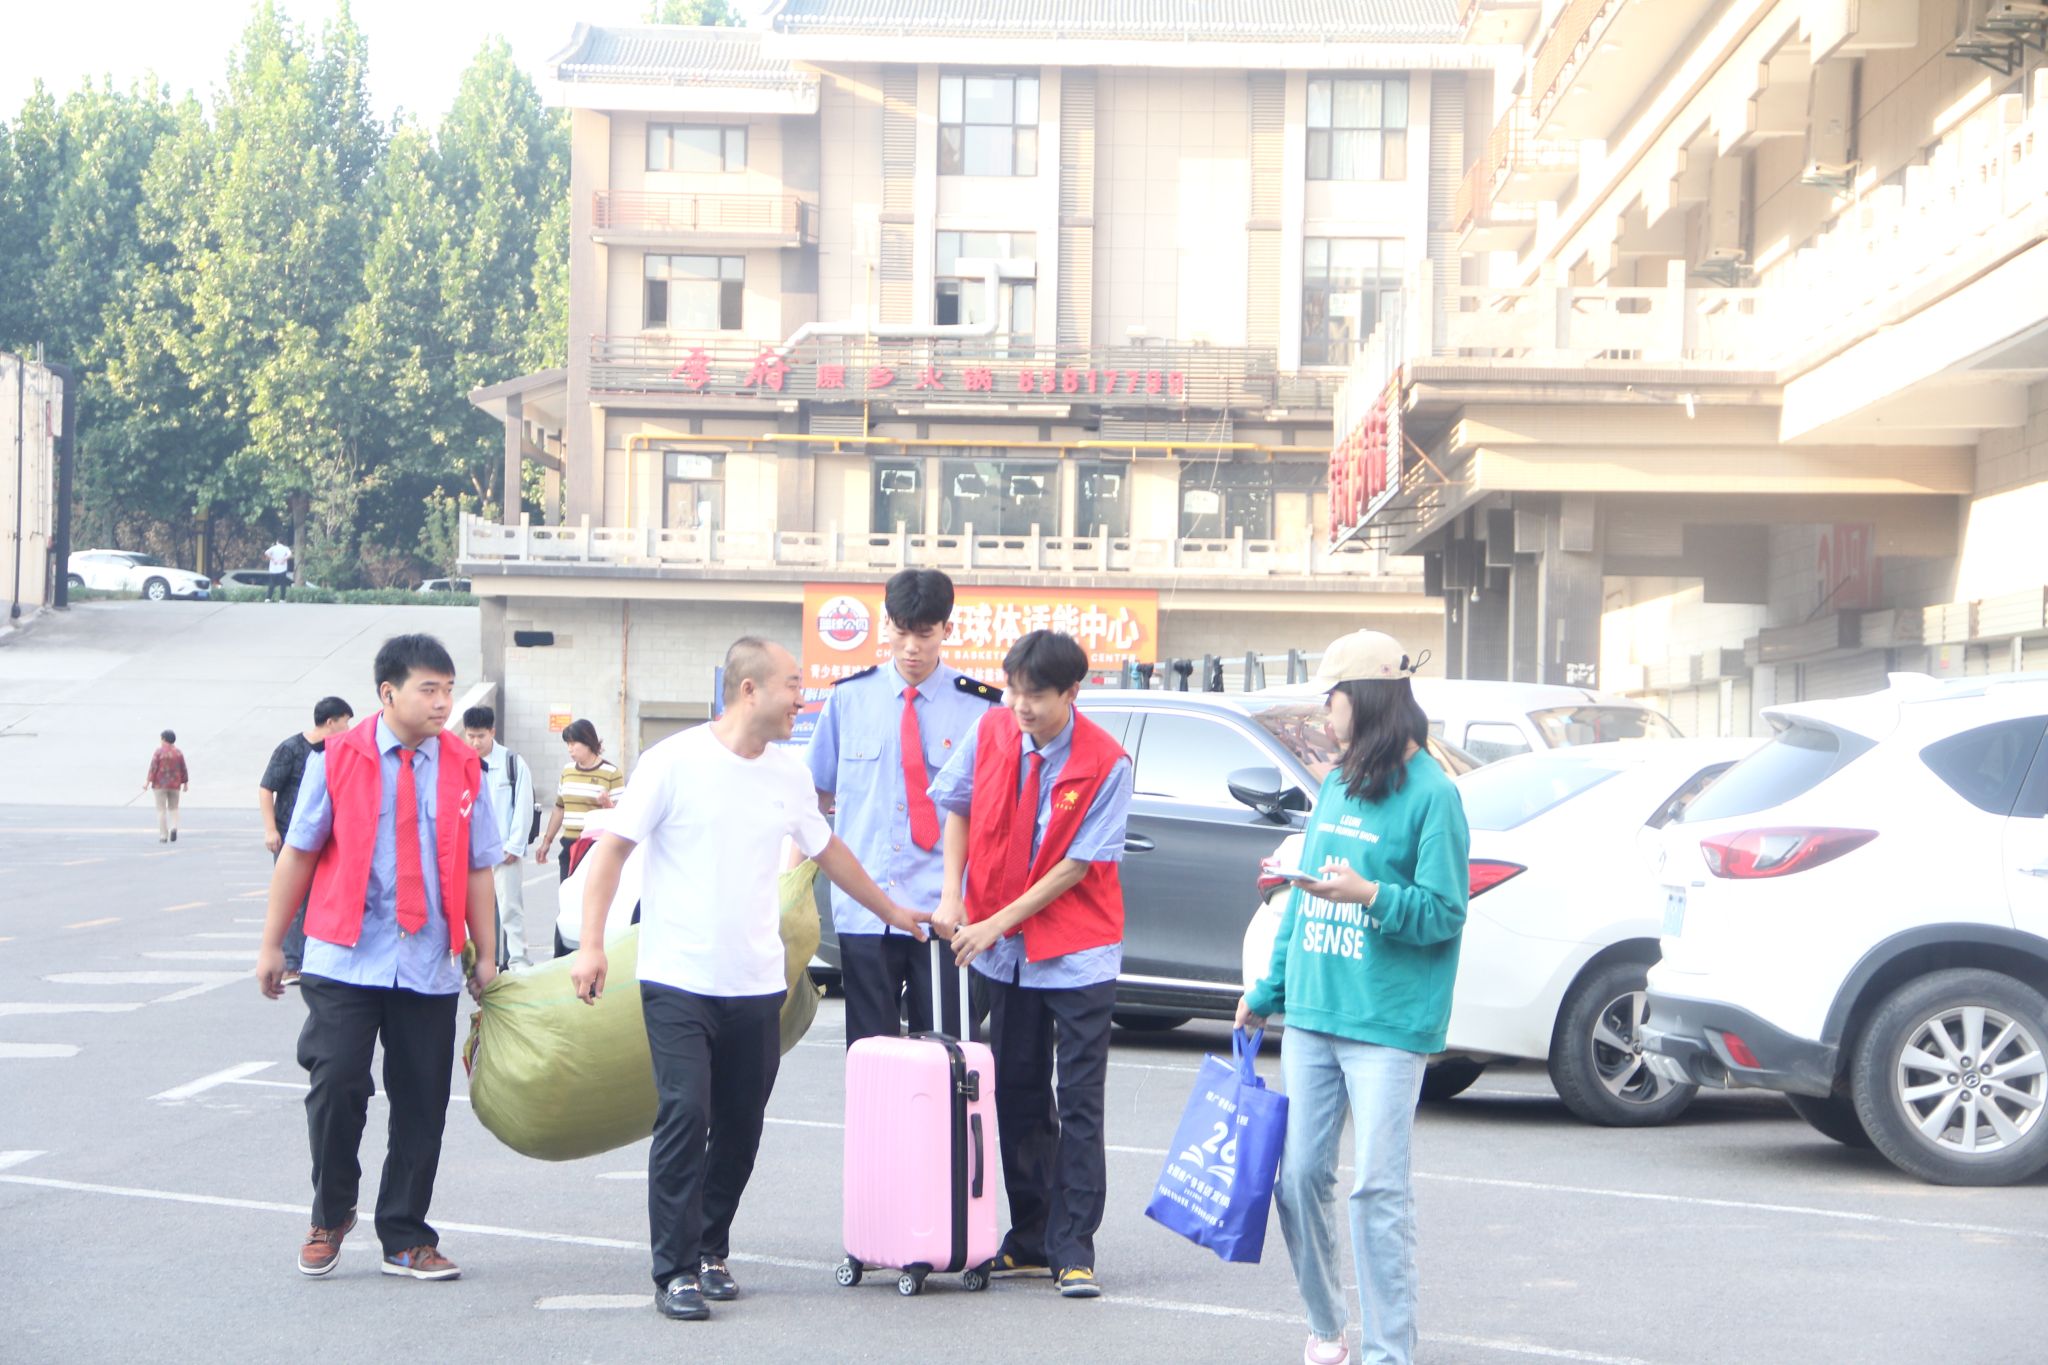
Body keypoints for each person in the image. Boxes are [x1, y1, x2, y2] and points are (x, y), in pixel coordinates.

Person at [570, 637, 931, 1324]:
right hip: (677, 976)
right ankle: (675, 1269)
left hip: (756, 981)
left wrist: (890, 911)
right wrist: (591, 945)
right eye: (792, 684)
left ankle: (711, 1248)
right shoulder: (672, 761)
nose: (802, 697)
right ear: (749, 690)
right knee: (686, 1113)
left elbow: (829, 850)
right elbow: (610, 852)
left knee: (740, 1124)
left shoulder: (788, 775)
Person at [1237, 630, 1470, 1365]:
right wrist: (1267, 989)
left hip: (1388, 1023)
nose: (1325, 713)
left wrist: (1371, 894)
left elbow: (1444, 913)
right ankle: (1325, 1325)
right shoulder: (1339, 782)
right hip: (1313, 1011)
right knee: (1299, 1178)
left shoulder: (1434, 795)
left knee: (1377, 1191)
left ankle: (1389, 1352)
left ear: (1365, 699)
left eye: (1331, 698)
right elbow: (1303, 899)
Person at [253, 633, 502, 1284]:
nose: (444, 703)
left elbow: (479, 867)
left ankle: (406, 1234)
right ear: (388, 693)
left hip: (428, 960)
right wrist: (272, 942)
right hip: (345, 954)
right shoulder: (337, 757)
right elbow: (299, 852)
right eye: (429, 689)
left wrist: (487, 954)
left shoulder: (464, 767)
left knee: (423, 1101)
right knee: (336, 1081)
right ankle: (331, 1212)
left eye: (449, 689)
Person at [930, 630, 1133, 1302]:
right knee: (1015, 1088)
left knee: (1079, 1101)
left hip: (1077, 951)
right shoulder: (991, 729)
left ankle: (1074, 1248)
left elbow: (1075, 867)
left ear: (1072, 692)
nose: (1020, 705)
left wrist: (994, 922)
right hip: (1004, 949)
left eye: (1036, 696)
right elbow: (957, 806)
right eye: (1014, 689)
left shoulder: (1107, 762)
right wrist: (953, 893)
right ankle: (1031, 1235)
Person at [807, 568, 1000, 1045]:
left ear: (947, 630)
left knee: (949, 1054)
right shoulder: (849, 698)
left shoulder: (981, 708)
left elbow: (988, 813)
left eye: (925, 634)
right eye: (901, 631)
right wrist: (791, 886)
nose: (911, 647)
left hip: (945, 911)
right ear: (885, 624)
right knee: (871, 1055)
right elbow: (814, 799)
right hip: (866, 906)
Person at [261, 697, 356, 985]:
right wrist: (270, 829)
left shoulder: (339, 752)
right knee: (296, 898)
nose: (348, 729)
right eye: (345, 723)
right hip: (291, 836)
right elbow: (266, 788)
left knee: (321, 897)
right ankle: (291, 963)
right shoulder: (291, 748)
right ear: (330, 722)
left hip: (323, 837)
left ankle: (311, 960)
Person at [462, 704, 535, 968]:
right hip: (472, 854)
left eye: (480, 736)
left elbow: (523, 806)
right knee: (474, 913)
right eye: (470, 736)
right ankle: (480, 963)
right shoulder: (461, 762)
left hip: (504, 852)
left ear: (492, 732)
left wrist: (514, 846)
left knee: (510, 909)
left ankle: (518, 962)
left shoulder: (512, 763)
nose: (475, 742)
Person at [534, 719, 624, 880]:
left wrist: (607, 804)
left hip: (595, 846)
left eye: (573, 743)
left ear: (588, 742)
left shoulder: (611, 772)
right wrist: (547, 841)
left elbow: (622, 816)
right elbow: (559, 809)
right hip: (569, 845)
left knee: (591, 895)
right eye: (568, 744)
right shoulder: (567, 771)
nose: (570, 749)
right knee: (566, 893)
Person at [145, 729, 189, 843]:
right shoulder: (178, 753)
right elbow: (183, 768)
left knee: (161, 810)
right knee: (173, 808)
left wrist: (147, 782)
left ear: (164, 739)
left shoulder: (159, 752)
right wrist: (185, 783)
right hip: (175, 785)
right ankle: (173, 827)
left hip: (160, 785)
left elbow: (153, 767)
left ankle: (163, 836)